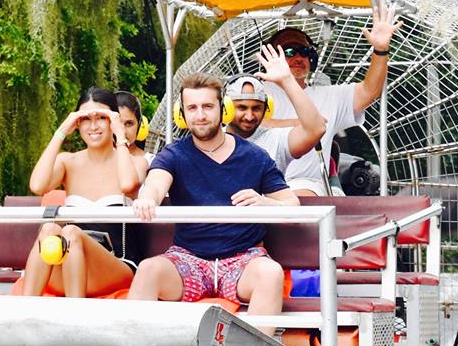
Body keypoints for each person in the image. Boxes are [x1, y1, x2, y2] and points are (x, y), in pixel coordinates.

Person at [127, 73, 298, 315]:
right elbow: (155, 184)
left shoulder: (254, 156)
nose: (200, 115)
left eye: (207, 106)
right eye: (192, 108)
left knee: (271, 274)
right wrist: (147, 198)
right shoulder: (174, 154)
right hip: (189, 259)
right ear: (182, 114)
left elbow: (292, 203)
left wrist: (265, 202)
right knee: (148, 270)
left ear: (223, 109)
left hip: (244, 259)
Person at [259, 0, 401, 195]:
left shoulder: (329, 96)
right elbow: (241, 125)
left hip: (305, 184)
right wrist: (299, 125)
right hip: (256, 180)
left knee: (296, 197)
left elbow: (370, 91)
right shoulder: (254, 90)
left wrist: (380, 49)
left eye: (305, 52)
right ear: (272, 56)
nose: (299, 57)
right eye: (290, 51)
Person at [15, 88, 141, 299]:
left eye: (101, 117)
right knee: (49, 230)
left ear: (113, 120)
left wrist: (120, 134)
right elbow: (38, 185)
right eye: (85, 119)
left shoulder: (134, 161)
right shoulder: (68, 162)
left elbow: (128, 185)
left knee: (71, 233)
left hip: (116, 264)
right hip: (70, 264)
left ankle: (75, 320)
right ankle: (24, 314)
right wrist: (62, 131)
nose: (93, 126)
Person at [226, 44, 326, 171]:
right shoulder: (211, 141)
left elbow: (317, 129)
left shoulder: (276, 140)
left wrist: (287, 81)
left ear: (267, 109)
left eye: (256, 108)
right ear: (226, 107)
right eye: (242, 108)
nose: (249, 116)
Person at [113, 90, 152, 185]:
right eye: (117, 123)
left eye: (129, 124)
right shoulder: (93, 161)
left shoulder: (153, 163)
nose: (123, 131)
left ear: (140, 125)